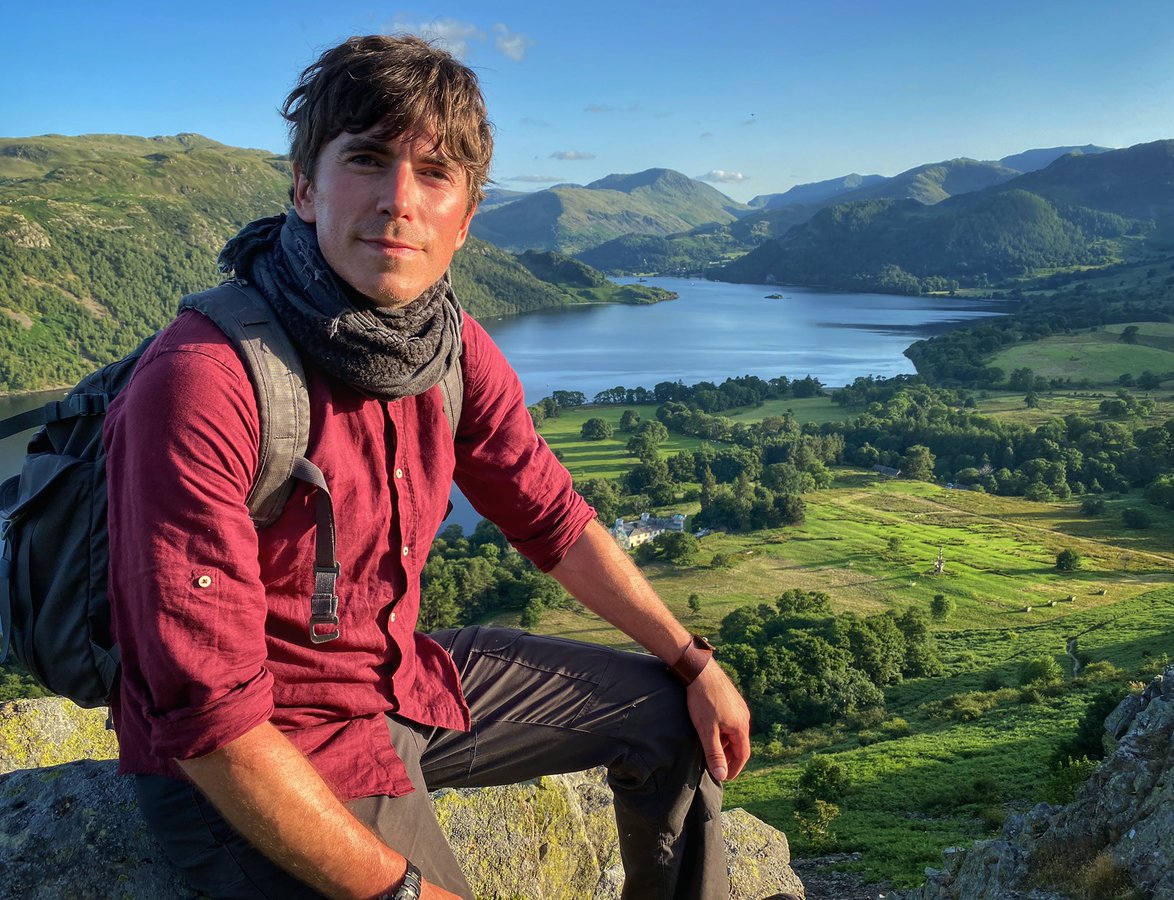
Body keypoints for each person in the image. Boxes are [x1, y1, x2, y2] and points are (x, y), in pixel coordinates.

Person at [104, 34, 751, 900]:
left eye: (434, 172)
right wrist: (407, 894)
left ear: (467, 214)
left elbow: (552, 519)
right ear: (305, 187)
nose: (399, 199)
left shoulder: (446, 347)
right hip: (265, 755)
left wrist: (691, 660)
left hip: (394, 681)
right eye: (367, 159)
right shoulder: (206, 380)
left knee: (673, 718)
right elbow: (212, 724)